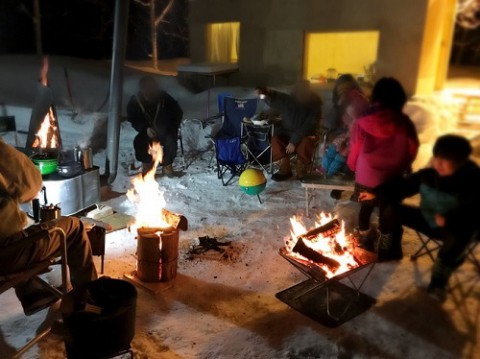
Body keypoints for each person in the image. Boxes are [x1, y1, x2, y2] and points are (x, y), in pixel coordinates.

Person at [374, 135, 480, 301]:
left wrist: (450, 218)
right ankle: (389, 246)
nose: (438, 163)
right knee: (391, 209)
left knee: (459, 234)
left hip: (457, 229)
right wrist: (375, 193)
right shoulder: (429, 175)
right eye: (437, 157)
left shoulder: (473, 181)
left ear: (460, 162)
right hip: (428, 220)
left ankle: (438, 280)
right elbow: (403, 186)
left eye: (445, 160)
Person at [0, 140, 97, 315]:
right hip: (6, 254)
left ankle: (34, 293)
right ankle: (88, 298)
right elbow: (30, 184)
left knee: (21, 229)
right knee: (73, 226)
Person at [347, 77, 419, 250]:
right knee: (388, 208)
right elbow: (412, 148)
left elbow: (355, 147)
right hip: (392, 176)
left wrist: (352, 166)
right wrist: (404, 165)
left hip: (366, 174)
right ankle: (387, 241)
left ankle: (365, 236)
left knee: (366, 206)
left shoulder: (363, 120)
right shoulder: (404, 121)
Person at [257, 80, 322, 181]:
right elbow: (275, 101)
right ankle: (285, 169)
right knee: (276, 139)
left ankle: (301, 171)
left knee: (306, 142)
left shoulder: (314, 105)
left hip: (305, 134)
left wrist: (293, 141)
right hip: (287, 132)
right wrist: (264, 94)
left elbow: (308, 126)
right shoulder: (289, 100)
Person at [127, 76, 183, 176]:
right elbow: (133, 118)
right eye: (146, 89)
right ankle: (147, 165)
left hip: (165, 130)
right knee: (139, 141)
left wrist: (172, 128)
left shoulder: (164, 98)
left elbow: (177, 112)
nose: (149, 92)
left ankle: (167, 165)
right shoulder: (136, 101)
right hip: (147, 131)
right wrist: (145, 128)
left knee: (171, 141)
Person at [320, 74, 369, 178]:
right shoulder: (338, 104)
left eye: (348, 89)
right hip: (341, 133)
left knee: (343, 154)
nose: (345, 93)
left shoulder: (360, 102)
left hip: (356, 136)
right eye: (342, 90)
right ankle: (325, 170)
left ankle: (332, 175)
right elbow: (329, 124)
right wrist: (338, 107)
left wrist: (348, 137)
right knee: (334, 148)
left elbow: (360, 124)